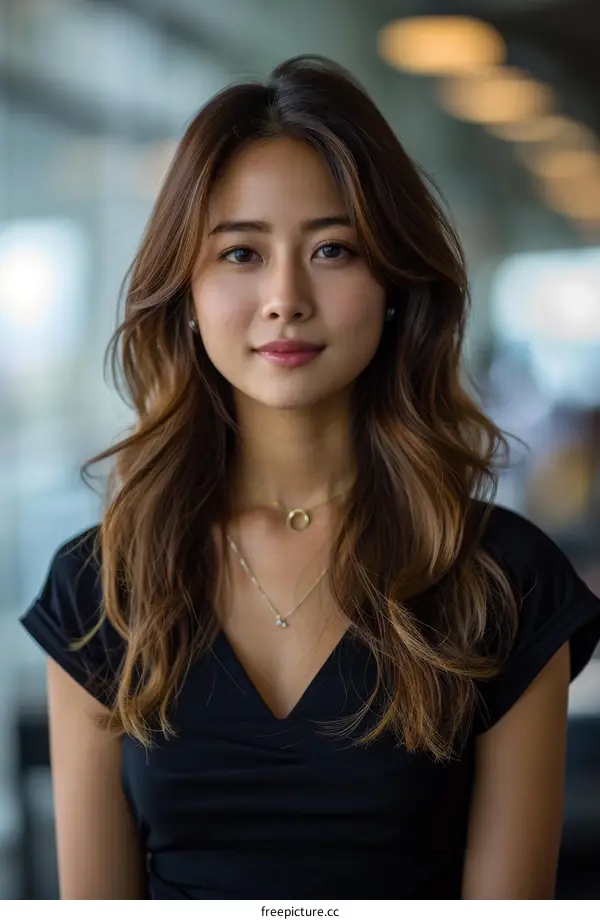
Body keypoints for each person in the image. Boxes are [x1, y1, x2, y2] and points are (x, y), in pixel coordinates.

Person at [21, 55, 600, 900]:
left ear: (396, 284)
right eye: (241, 253)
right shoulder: (100, 586)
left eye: (332, 249)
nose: (285, 297)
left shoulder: (502, 581)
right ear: (185, 291)